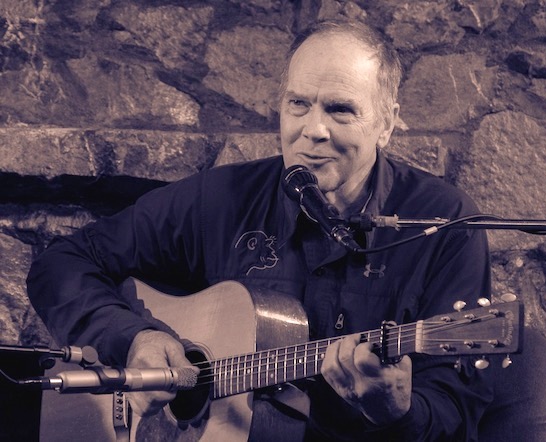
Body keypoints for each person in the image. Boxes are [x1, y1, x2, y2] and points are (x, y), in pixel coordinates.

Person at [27, 20, 495, 440]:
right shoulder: (221, 199)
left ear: (386, 123)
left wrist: (396, 413)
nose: (313, 129)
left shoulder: (445, 222)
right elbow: (61, 263)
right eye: (298, 104)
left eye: (340, 110)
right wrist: (134, 339)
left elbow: (456, 412)